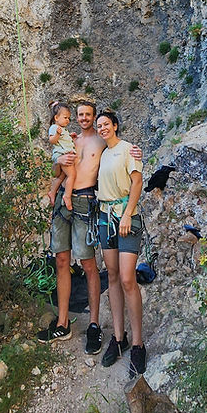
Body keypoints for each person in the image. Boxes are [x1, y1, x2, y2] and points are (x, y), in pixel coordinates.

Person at [36, 100, 142, 355]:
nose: (84, 119)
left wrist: (135, 152)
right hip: (63, 198)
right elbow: (56, 169)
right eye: (80, 115)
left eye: (88, 115)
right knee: (61, 260)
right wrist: (58, 159)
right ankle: (63, 323)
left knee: (87, 262)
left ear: (95, 118)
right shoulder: (70, 140)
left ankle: (94, 324)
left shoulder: (102, 141)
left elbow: (119, 147)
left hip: (85, 201)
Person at [96, 109, 147, 377]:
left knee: (128, 278)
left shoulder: (128, 150)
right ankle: (119, 338)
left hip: (126, 217)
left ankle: (138, 344)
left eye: (106, 124)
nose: (102, 128)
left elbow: (137, 182)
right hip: (105, 218)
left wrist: (127, 213)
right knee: (113, 276)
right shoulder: (103, 154)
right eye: (99, 125)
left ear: (115, 125)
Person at [47, 101, 78, 210]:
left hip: (63, 153)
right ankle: (67, 196)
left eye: (68, 118)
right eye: (65, 117)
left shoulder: (62, 130)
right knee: (72, 175)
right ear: (56, 117)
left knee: (62, 176)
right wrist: (57, 134)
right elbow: (52, 140)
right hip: (61, 155)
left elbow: (63, 140)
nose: (68, 120)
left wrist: (70, 136)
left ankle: (52, 192)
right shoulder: (54, 128)